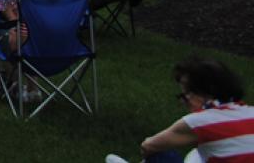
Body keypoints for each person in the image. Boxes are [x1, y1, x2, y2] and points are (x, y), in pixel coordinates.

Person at [109, 58, 254, 163]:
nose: (184, 102)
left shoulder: (200, 122)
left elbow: (148, 146)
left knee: (162, 154)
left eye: (184, 96)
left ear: (201, 94)